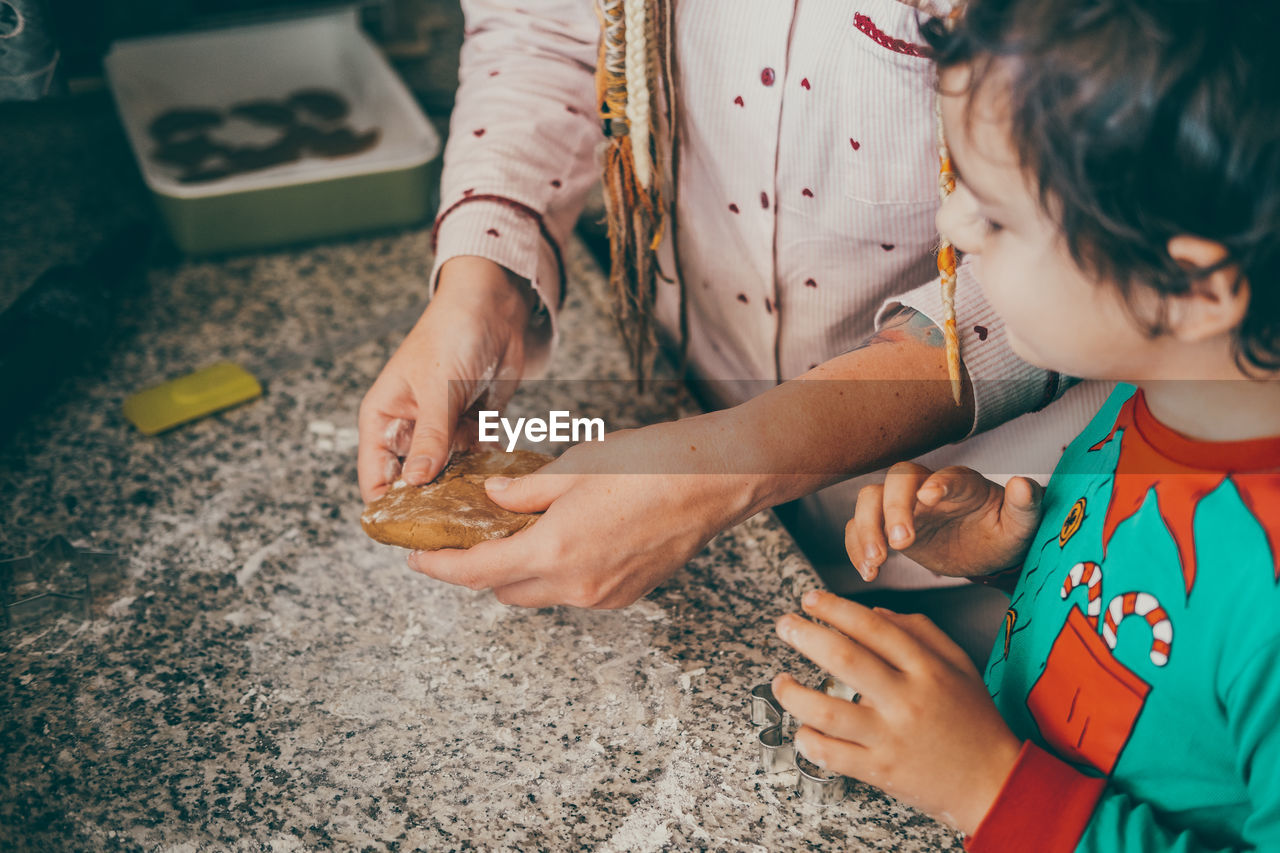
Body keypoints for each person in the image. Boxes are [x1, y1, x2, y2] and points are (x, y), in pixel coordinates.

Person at [356, 0, 1107, 641]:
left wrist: (724, 465)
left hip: (1004, 538)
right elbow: (547, 34)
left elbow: (1100, 242)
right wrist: (480, 286)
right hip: (696, 431)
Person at [771, 0, 1280, 847]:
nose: (952, 226)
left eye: (998, 216)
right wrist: (1024, 555)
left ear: (1188, 290)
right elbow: (1168, 661)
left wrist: (988, 785)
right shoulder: (1163, 396)